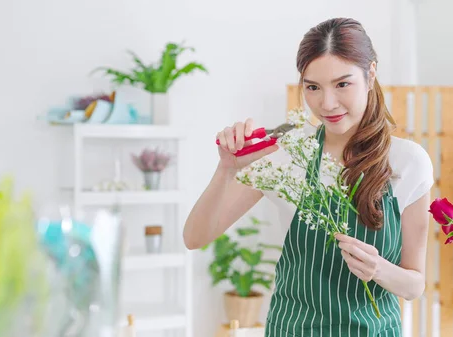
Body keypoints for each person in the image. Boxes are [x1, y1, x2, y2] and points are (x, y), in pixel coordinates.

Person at [183, 17, 434, 337]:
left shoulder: (408, 162)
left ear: (370, 75)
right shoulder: (285, 153)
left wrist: (378, 269)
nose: (327, 104)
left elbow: (415, 285)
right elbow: (195, 237)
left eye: (342, 84)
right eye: (313, 87)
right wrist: (227, 170)